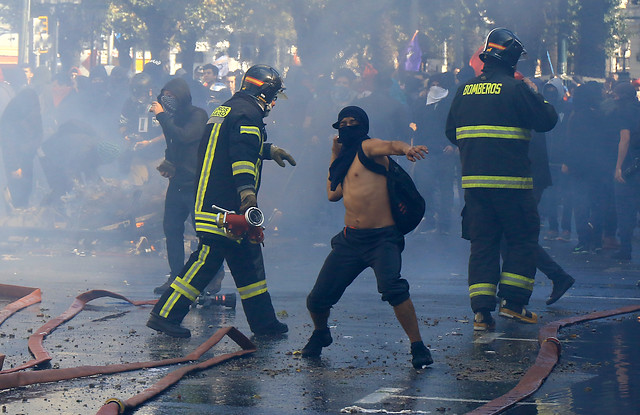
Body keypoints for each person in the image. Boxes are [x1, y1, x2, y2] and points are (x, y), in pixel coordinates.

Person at [147, 64, 295, 337]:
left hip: (212, 199)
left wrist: (267, 149)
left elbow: (228, 145)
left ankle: (265, 323)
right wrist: (247, 196)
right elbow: (240, 157)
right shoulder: (248, 114)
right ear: (263, 92)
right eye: (273, 95)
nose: (274, 102)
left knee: (249, 261)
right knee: (206, 260)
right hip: (225, 206)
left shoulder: (227, 108)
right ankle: (165, 315)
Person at [301, 105, 433, 369]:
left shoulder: (367, 147)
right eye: (343, 123)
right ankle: (320, 332)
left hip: (382, 239)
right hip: (350, 240)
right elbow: (332, 194)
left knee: (393, 288)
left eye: (353, 122)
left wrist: (406, 149)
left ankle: (418, 345)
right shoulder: (344, 158)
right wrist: (334, 154)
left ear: (363, 125)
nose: (348, 127)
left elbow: (390, 145)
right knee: (317, 299)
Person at [445, 28, 558, 330]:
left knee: (483, 243)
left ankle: (482, 313)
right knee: (522, 238)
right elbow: (547, 121)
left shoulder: (464, 90)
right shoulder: (516, 88)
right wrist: (535, 91)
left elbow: (451, 133)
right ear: (511, 60)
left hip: (474, 186)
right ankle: (514, 303)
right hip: (512, 184)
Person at [146, 78, 209, 295]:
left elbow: (183, 137)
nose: (166, 100)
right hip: (177, 184)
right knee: (171, 229)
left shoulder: (197, 115)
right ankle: (175, 277)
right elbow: (173, 145)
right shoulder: (175, 118)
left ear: (181, 96)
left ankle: (209, 279)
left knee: (205, 233)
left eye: (171, 96)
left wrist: (162, 116)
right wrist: (168, 163)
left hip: (196, 185)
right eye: (164, 96)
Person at [612, 81, 640, 261]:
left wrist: (618, 167)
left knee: (625, 210)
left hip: (630, 167)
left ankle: (625, 249)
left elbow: (625, 139)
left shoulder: (623, 111)